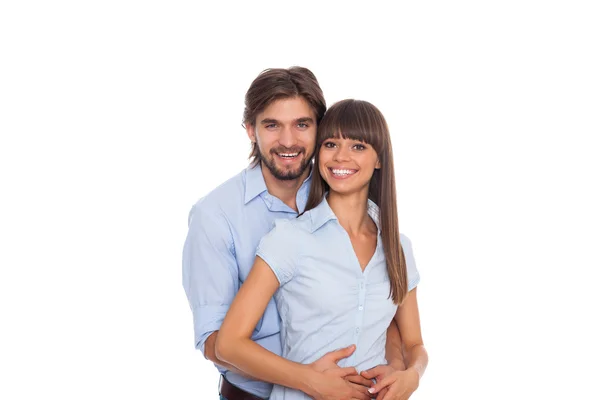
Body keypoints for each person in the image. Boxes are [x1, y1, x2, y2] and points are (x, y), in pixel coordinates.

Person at [183, 68, 408, 400]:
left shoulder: (345, 191)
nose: (288, 141)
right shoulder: (215, 216)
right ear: (250, 130)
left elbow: (376, 303)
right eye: (272, 125)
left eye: (302, 124)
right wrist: (306, 379)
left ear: (320, 128)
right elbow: (216, 344)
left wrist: (399, 366)